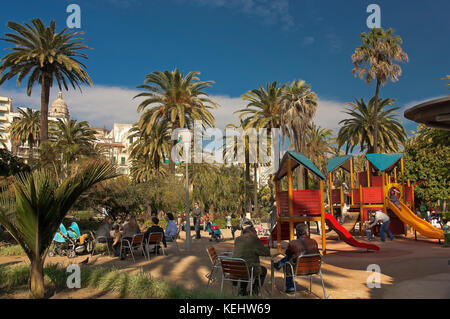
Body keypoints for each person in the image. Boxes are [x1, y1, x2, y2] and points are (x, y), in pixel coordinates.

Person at [274, 223, 319, 294]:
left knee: (288, 262)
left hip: (297, 269)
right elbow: (317, 253)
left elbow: (287, 254)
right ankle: (279, 264)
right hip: (313, 268)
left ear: (297, 233)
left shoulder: (293, 243)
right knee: (292, 257)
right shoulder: (314, 242)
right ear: (307, 232)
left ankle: (290, 288)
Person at [232, 219, 270, 296]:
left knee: (245, 266)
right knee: (263, 270)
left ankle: (242, 291)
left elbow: (247, 250)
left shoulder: (238, 239)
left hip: (235, 269)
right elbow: (266, 252)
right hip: (248, 270)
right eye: (254, 231)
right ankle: (254, 292)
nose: (256, 232)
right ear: (251, 231)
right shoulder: (254, 239)